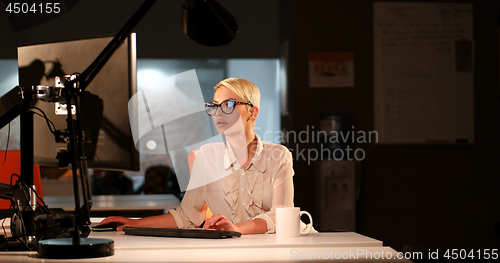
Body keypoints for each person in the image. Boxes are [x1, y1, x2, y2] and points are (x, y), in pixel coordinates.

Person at [98, 78, 294, 234]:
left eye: (229, 104)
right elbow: (187, 216)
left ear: (252, 112)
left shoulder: (277, 155)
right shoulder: (207, 156)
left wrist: (237, 228)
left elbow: (281, 216)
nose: (218, 112)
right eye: (215, 105)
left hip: (277, 246)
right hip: (233, 249)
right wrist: (134, 223)